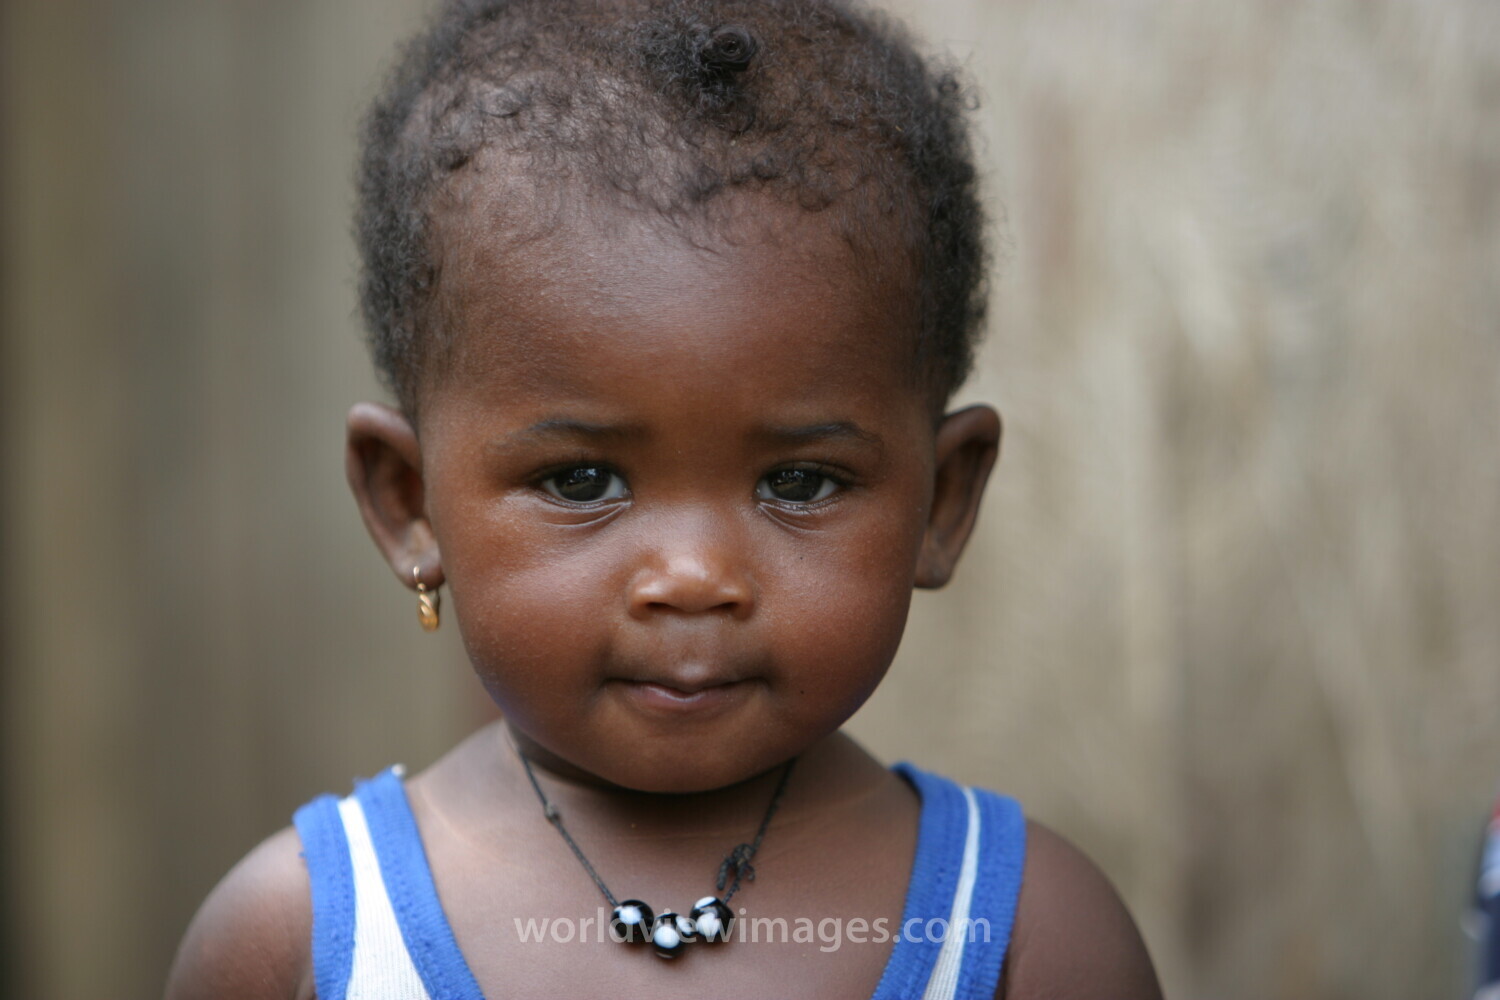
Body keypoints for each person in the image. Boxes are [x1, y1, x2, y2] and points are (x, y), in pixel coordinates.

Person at [166, 1, 1163, 997]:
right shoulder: (294, 943)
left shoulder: (1027, 933)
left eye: (799, 481)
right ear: (408, 502)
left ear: (941, 503)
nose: (693, 578)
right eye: (582, 480)